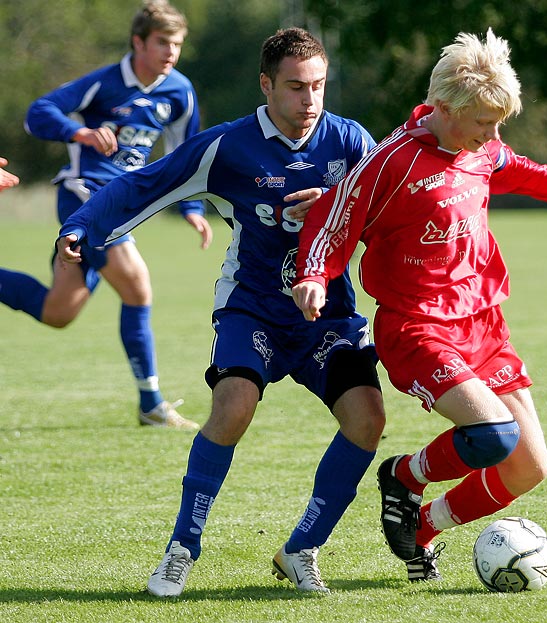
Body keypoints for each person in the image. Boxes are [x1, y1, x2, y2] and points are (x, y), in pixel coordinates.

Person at [292, 29, 547, 582]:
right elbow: (332, 218)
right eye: (484, 121)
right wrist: (314, 276)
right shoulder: (394, 161)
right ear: (444, 109)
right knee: (493, 436)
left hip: (482, 323)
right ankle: (404, 477)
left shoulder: (479, 147)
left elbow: (520, 169)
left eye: (498, 122)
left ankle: (422, 526)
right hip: (417, 327)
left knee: (529, 466)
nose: (493, 134)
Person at [55, 27, 385, 596]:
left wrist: (337, 207)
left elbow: (390, 207)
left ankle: (302, 549)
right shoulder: (228, 147)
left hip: (327, 314)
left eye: (318, 87)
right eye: (295, 88)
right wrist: (82, 226)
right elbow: (145, 184)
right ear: (266, 86)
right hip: (252, 306)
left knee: (368, 419)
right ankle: (182, 549)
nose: (309, 102)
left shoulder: (351, 141)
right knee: (233, 406)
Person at [0, 0, 211, 430]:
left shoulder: (180, 91)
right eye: (162, 43)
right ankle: (151, 404)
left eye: (177, 44)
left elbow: (186, 152)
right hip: (83, 196)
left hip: (123, 206)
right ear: (138, 42)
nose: (171, 52)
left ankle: (150, 406)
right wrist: (79, 131)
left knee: (58, 311)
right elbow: (38, 112)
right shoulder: (106, 83)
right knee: (138, 286)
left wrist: (190, 206)